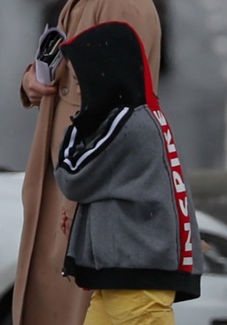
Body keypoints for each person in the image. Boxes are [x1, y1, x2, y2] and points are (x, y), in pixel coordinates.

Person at [14, 0, 162, 325]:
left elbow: (118, 117)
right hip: (70, 190)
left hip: (86, 198)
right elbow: (65, 72)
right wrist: (31, 81)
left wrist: (82, 202)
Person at [54, 20, 202, 324]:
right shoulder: (142, 115)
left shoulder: (126, 122)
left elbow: (72, 175)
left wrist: (78, 126)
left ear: (106, 73)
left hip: (136, 286)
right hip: (124, 281)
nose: (80, 88)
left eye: (84, 78)